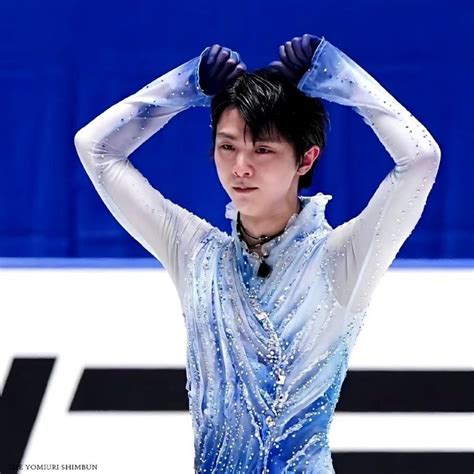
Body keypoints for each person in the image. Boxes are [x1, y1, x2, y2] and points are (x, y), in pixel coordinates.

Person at [74, 34, 441, 473]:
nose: (240, 167)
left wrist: (335, 72)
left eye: (263, 149)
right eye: (228, 146)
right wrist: (187, 84)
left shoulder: (341, 259)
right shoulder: (196, 254)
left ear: (305, 160)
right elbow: (94, 147)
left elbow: (421, 158)